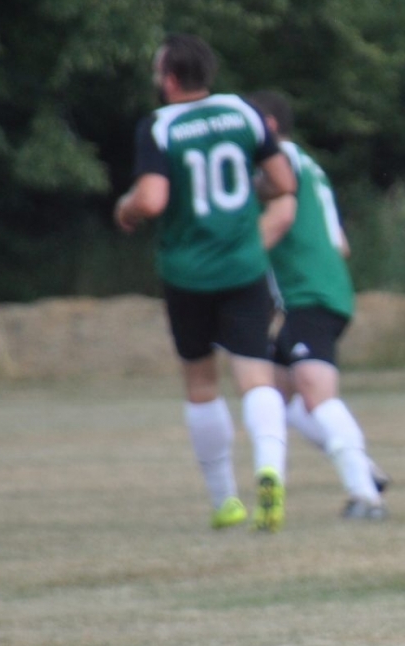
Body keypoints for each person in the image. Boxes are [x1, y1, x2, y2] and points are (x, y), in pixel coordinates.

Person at [115, 34, 298, 532]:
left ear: (170, 79)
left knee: (200, 379)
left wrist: (125, 208)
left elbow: (152, 200)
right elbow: (282, 182)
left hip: (188, 273)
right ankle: (269, 470)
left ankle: (226, 501)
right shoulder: (242, 112)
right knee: (255, 374)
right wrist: (246, 192)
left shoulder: (160, 125)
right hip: (243, 265)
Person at [245, 90, 390, 521]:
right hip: (317, 291)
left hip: (310, 294)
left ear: (267, 127)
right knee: (273, 391)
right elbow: (339, 243)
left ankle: (366, 497)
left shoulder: (279, 162)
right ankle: (363, 469)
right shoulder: (307, 163)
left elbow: (281, 220)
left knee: (312, 389)